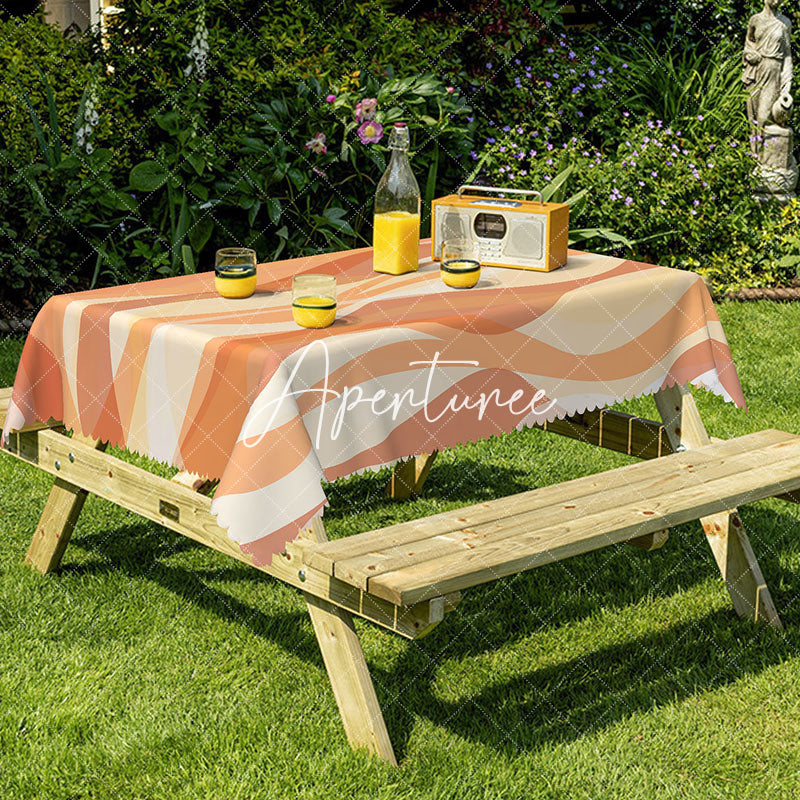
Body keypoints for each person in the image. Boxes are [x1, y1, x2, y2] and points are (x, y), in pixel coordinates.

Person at [742, 0, 793, 154]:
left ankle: (767, 157)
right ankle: (756, 159)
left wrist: (787, 83)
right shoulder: (755, 20)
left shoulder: (784, 23)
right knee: (753, 119)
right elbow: (748, 44)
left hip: (773, 72)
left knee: (764, 118)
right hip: (755, 71)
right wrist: (749, 54)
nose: (777, 0)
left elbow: (787, 55)